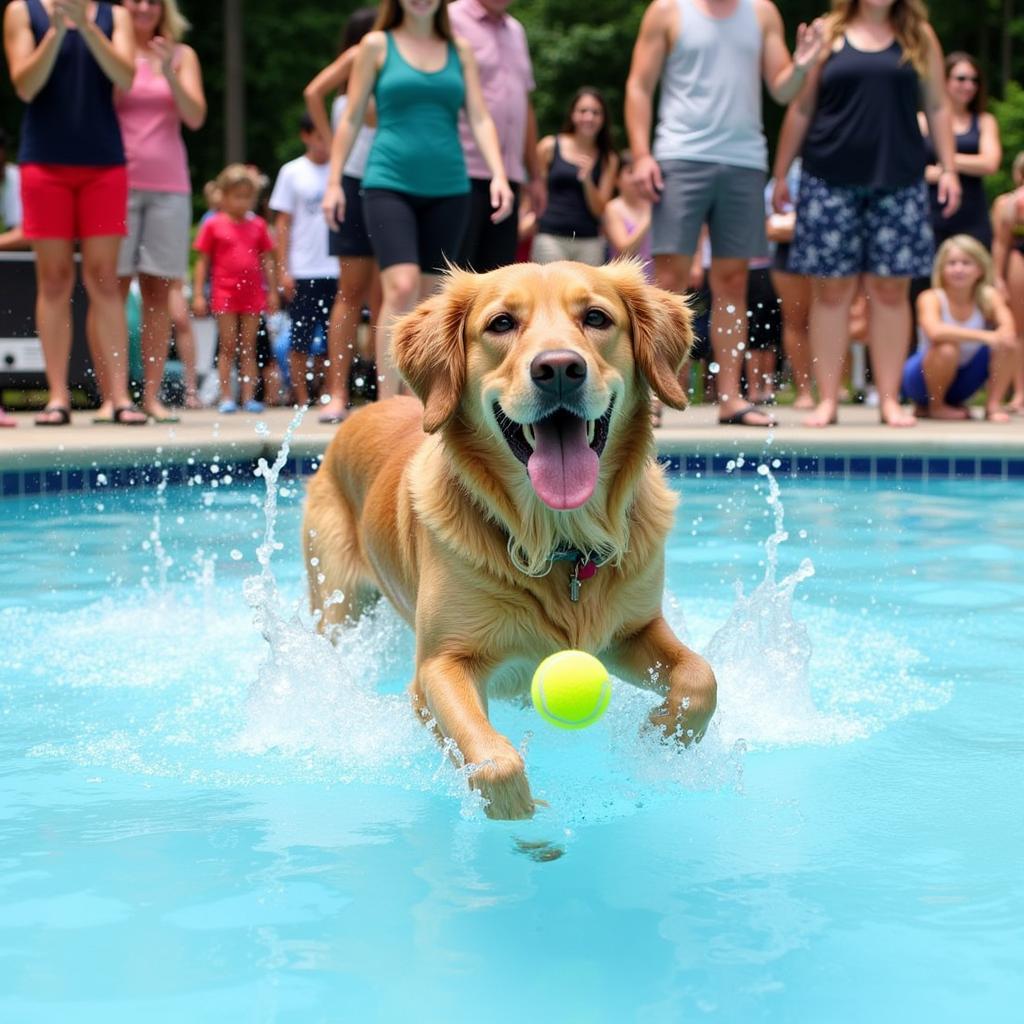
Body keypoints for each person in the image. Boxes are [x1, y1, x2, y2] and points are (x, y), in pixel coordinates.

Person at [625, 0, 824, 428]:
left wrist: (804, 65)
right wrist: (641, 154)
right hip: (679, 154)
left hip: (744, 160)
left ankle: (732, 398)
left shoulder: (763, 12)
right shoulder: (667, 11)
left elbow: (783, 89)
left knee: (734, 281)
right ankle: (657, 394)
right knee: (670, 281)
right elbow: (640, 86)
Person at [772, 0, 961, 429]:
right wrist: (782, 173)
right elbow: (801, 107)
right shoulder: (829, 33)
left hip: (899, 177)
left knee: (892, 291)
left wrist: (948, 167)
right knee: (832, 292)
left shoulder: (918, 35)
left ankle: (890, 401)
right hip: (828, 176)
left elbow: (938, 107)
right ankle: (828, 401)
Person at [322, 0, 514, 400]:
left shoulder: (459, 49)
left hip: (450, 187)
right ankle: (386, 402)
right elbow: (352, 116)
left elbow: (478, 116)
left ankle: (420, 402)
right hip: (388, 181)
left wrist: (498, 173)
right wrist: (334, 180)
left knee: (430, 298)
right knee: (401, 284)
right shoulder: (376, 45)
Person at [4, 0, 146, 426]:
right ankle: (58, 396)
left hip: (103, 163)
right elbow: (25, 85)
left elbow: (125, 76)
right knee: (54, 279)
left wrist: (85, 28)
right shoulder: (21, 10)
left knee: (103, 278)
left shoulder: (112, 15)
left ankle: (119, 396)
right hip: (44, 163)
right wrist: (55, 31)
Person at [114, 0, 205, 423]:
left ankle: (150, 395)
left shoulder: (182, 55)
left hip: (169, 186)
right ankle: (113, 395)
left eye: (153, 0)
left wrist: (168, 70)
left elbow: (195, 117)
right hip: (114, 182)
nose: (144, 7)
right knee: (110, 290)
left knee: (158, 293)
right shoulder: (108, 50)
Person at [303, 5, 378, 423]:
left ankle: (375, 392)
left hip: (386, 184)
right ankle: (337, 391)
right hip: (354, 182)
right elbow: (313, 92)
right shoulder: (363, 56)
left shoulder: (386, 62)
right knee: (353, 294)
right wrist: (333, 146)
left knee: (376, 295)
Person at [448, 0, 546, 272]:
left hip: (508, 177)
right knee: (452, 276)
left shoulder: (516, 30)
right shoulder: (450, 19)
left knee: (498, 276)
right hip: (461, 171)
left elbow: (524, 104)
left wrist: (535, 175)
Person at [192, 164, 278, 414]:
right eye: (237, 196)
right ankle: (227, 397)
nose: (242, 202)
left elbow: (267, 260)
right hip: (225, 292)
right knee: (228, 346)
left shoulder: (258, 225)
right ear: (224, 196)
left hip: (252, 294)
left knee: (249, 347)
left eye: (247, 197)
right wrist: (198, 293)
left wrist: (272, 291)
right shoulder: (213, 225)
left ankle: (249, 396)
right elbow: (202, 262)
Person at [903, 234, 1017, 421]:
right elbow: (935, 331)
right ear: (941, 269)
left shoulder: (988, 297)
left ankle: (993, 405)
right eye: (952, 263)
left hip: (963, 381)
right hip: (921, 381)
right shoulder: (931, 297)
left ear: (980, 269)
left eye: (966, 263)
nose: (959, 269)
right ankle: (935, 406)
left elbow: (1008, 331)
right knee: (947, 347)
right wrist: (986, 337)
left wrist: (998, 337)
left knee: (1008, 344)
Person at [269, 114, 339, 408]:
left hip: (336, 268)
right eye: (319, 135)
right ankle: (300, 397)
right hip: (304, 269)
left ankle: (327, 393)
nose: (324, 142)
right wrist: (283, 269)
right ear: (306, 136)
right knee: (300, 339)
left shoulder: (339, 171)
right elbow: (282, 223)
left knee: (332, 340)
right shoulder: (292, 172)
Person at [917, 52, 1000, 249]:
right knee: (922, 278)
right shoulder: (921, 120)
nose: (969, 86)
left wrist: (946, 165)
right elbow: (907, 167)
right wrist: (964, 164)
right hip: (928, 213)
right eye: (961, 79)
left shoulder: (984, 121)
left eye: (974, 80)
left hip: (972, 213)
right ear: (944, 80)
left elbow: (990, 163)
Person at [531, 87, 618, 266]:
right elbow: (535, 190)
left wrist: (587, 181)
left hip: (589, 242)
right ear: (573, 114)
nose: (589, 117)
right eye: (583, 111)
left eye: (596, 113)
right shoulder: (549, 146)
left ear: (603, 119)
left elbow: (600, 209)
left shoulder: (608, 158)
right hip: (551, 237)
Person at [766, 159, 814, 409]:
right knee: (795, 321)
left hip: (825, 251)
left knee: (827, 319)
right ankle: (804, 390)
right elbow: (770, 224)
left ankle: (833, 388)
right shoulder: (787, 172)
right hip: (788, 253)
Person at [991, 152, 1024, 414]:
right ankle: (1018, 394)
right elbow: (1001, 243)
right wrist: (998, 278)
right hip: (1018, 257)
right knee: (1018, 328)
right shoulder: (1007, 203)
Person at [603, 150, 653, 279]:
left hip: (654, 278)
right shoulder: (613, 208)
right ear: (617, 179)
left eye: (638, 172)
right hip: (626, 280)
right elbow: (625, 250)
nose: (636, 178)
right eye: (630, 172)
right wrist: (647, 219)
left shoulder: (654, 204)